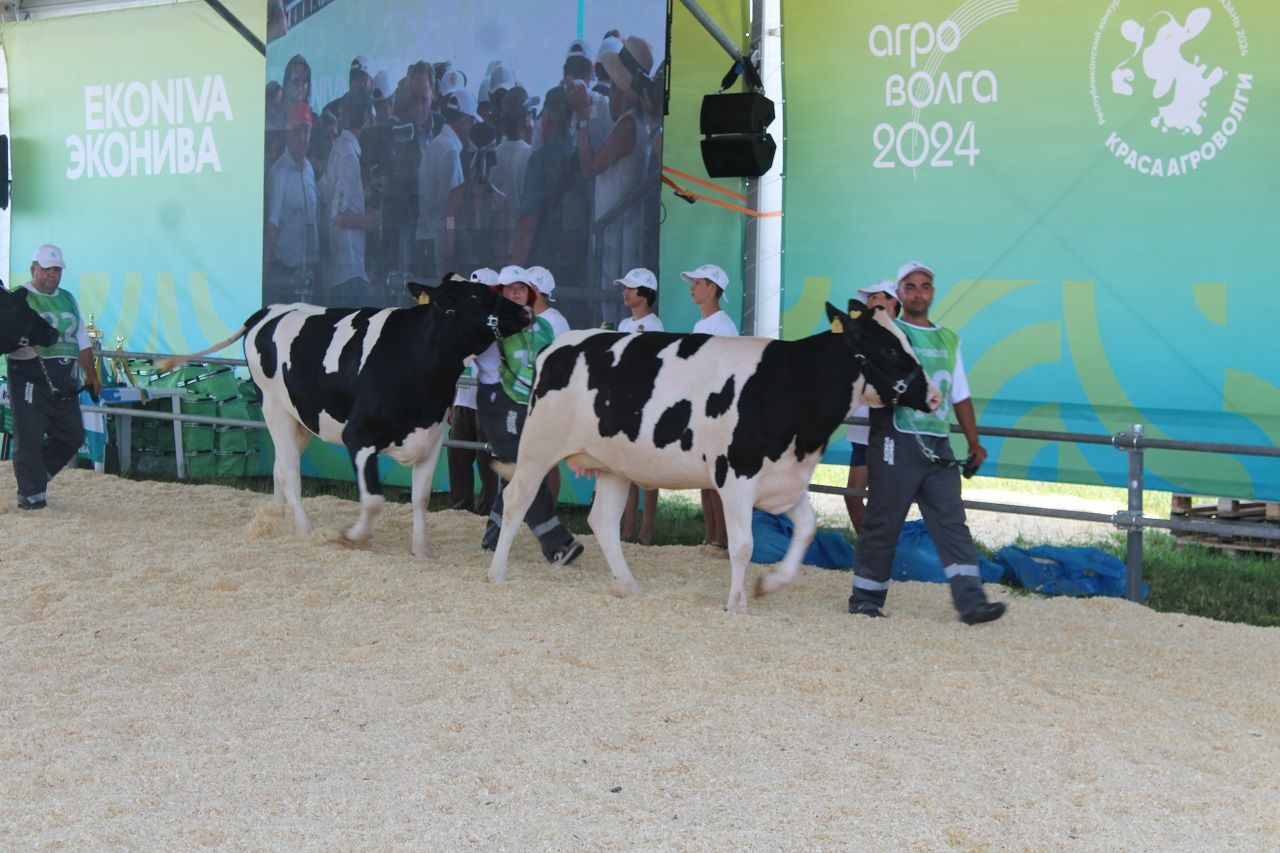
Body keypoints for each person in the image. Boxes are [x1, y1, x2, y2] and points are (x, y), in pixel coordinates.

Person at [848, 260, 1005, 625]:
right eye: (911, 286)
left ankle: (971, 602)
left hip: (938, 443)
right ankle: (866, 599)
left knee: (952, 522)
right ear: (899, 294)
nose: (919, 293)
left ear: (932, 293)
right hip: (894, 438)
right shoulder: (885, 332)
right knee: (884, 521)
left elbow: (960, 394)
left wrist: (974, 442)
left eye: (925, 286)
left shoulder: (949, 339)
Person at [475, 265, 583, 566]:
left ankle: (495, 531)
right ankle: (557, 543)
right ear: (500, 292)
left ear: (531, 292)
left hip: (532, 404)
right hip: (498, 401)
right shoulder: (489, 321)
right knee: (523, 467)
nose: (515, 292)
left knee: (520, 466)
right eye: (509, 288)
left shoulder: (544, 327)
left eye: (521, 287)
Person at [5, 245, 103, 510]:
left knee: (72, 435)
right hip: (28, 373)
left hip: (65, 375)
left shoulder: (68, 298)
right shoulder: (17, 297)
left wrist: (91, 374)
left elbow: (82, 340)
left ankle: (39, 474)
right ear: (33, 269)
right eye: (47, 269)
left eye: (57, 269)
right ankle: (31, 495)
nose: (52, 275)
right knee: (30, 437)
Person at [568, 35, 655, 312]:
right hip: (618, 234)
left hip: (618, 240)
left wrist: (582, 117)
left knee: (612, 308)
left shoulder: (628, 125)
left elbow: (589, 168)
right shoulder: (631, 124)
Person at [511, 87, 589, 325]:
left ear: (547, 120)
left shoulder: (541, 160)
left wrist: (513, 273)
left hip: (542, 270)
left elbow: (528, 225)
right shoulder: (583, 153)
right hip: (579, 267)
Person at [684, 262, 737, 550]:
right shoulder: (703, 324)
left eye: (697, 283)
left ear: (712, 288)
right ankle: (710, 536)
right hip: (703, 408)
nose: (692, 287)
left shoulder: (722, 325)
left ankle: (725, 539)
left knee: (719, 478)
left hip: (718, 411)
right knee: (706, 477)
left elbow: (726, 373)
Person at [844, 279, 900, 535]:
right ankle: (870, 550)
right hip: (861, 431)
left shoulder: (902, 338)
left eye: (875, 296)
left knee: (885, 501)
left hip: (889, 433)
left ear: (893, 302)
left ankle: (885, 553)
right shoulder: (859, 337)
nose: (868, 302)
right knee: (853, 496)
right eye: (868, 297)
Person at [614, 267, 663, 544]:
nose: (625, 291)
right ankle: (628, 527)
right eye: (625, 287)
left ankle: (646, 530)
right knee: (626, 468)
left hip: (647, 404)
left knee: (648, 470)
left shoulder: (655, 326)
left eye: (630, 288)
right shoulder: (623, 325)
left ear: (644, 294)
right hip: (625, 402)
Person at [446, 267, 500, 516]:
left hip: (488, 401)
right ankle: (460, 509)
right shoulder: (461, 321)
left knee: (487, 459)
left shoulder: (499, 322)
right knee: (458, 455)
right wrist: (451, 402)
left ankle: (488, 511)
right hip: (464, 398)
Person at [321, 87, 379, 305]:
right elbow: (337, 214)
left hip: (341, 270)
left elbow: (330, 194)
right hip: (350, 270)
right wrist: (368, 221)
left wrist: (362, 195)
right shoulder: (348, 154)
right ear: (365, 116)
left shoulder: (340, 148)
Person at [263, 101, 320, 304]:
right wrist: (266, 271)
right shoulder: (279, 173)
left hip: (310, 271)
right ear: (288, 133)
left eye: (306, 131)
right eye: (297, 132)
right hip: (285, 275)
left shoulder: (309, 169)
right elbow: (271, 225)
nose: (302, 138)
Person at [416, 90, 476, 281]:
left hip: (426, 242)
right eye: (471, 121)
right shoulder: (449, 151)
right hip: (439, 249)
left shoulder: (437, 145)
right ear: (464, 120)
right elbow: (447, 208)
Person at [443, 122, 507, 275]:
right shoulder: (501, 201)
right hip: (489, 283)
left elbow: (449, 248)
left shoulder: (454, 197)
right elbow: (500, 252)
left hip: (461, 281)